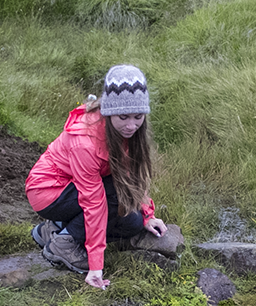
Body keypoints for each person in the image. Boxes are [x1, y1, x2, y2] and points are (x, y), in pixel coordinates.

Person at [26, 64, 168, 289]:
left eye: (138, 116)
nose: (131, 125)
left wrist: (148, 215)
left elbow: (134, 174)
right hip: (47, 191)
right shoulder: (85, 142)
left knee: (132, 223)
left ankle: (54, 230)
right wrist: (96, 267)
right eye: (123, 117)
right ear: (109, 111)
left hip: (74, 188)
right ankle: (63, 244)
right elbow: (94, 203)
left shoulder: (127, 132)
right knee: (112, 193)